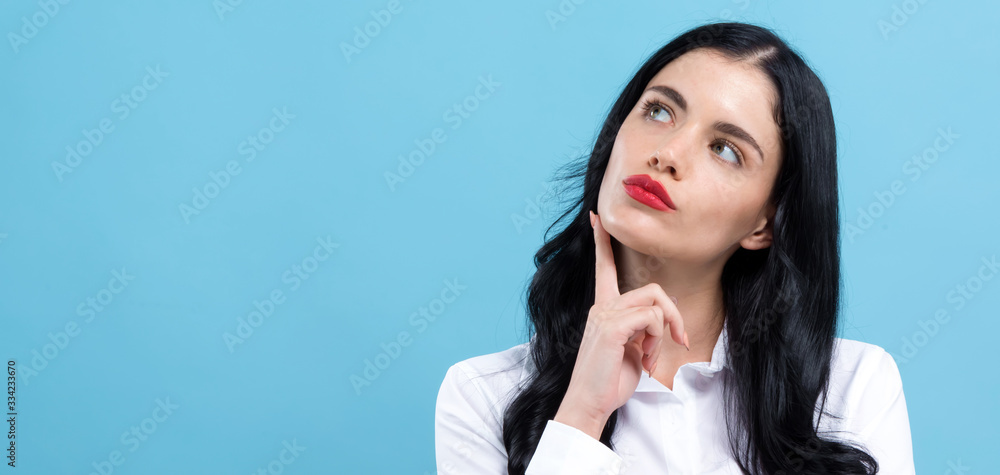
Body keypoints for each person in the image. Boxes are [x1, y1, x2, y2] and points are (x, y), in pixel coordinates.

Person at [434, 21, 914, 474]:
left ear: (765, 224)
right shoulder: (482, 394)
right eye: (659, 110)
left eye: (726, 149)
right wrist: (582, 411)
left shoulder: (852, 388)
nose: (667, 154)